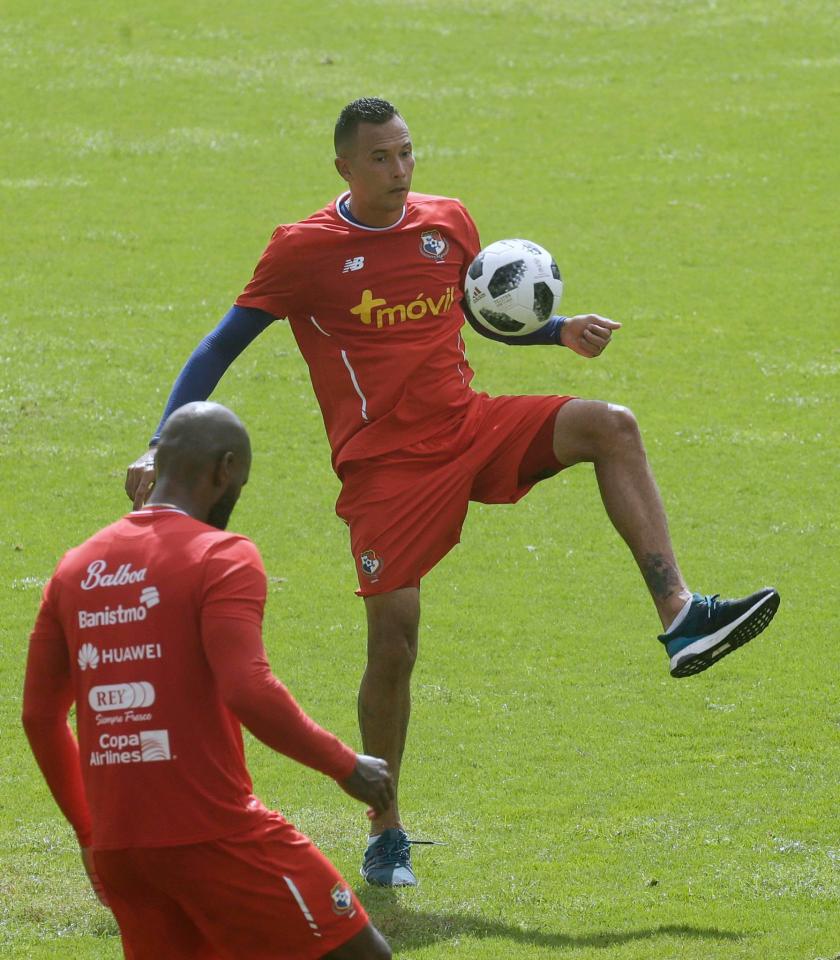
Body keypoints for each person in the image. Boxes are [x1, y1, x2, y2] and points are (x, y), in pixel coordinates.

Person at [125, 98, 780, 888]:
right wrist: (161, 445)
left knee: (613, 426)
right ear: (343, 167)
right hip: (386, 471)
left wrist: (556, 329)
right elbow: (217, 347)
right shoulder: (303, 251)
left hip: (470, 427)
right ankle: (385, 827)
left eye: (406, 154)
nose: (400, 172)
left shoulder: (450, 222)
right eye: (380, 159)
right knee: (394, 648)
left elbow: (475, 310)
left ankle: (679, 615)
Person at [24, 401, 393, 960]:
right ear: (224, 470)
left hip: (122, 851)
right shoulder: (220, 555)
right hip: (216, 834)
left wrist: (90, 834)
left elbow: (39, 717)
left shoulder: (76, 567)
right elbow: (246, 686)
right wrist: (346, 765)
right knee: (363, 956)